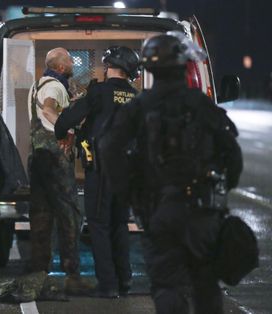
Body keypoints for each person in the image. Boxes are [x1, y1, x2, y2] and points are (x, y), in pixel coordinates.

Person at [100, 32, 243, 313]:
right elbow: (233, 156)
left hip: (159, 210)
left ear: (149, 67)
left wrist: (129, 192)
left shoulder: (138, 107)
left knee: (168, 285)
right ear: (184, 65)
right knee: (205, 284)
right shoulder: (202, 105)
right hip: (202, 211)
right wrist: (222, 190)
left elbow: (108, 148)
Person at [54, 46, 140, 298]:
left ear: (110, 66)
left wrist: (62, 132)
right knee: (119, 224)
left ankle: (108, 284)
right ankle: (125, 281)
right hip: (127, 170)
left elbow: (68, 120)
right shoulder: (135, 97)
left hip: (101, 170)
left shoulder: (99, 92)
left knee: (99, 225)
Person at [28, 47, 88, 294]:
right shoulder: (54, 86)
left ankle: (39, 274)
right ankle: (72, 274)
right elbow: (48, 110)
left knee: (41, 215)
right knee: (69, 214)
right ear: (61, 67)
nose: (73, 64)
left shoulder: (38, 84)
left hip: (38, 158)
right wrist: (67, 129)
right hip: (55, 159)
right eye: (69, 61)